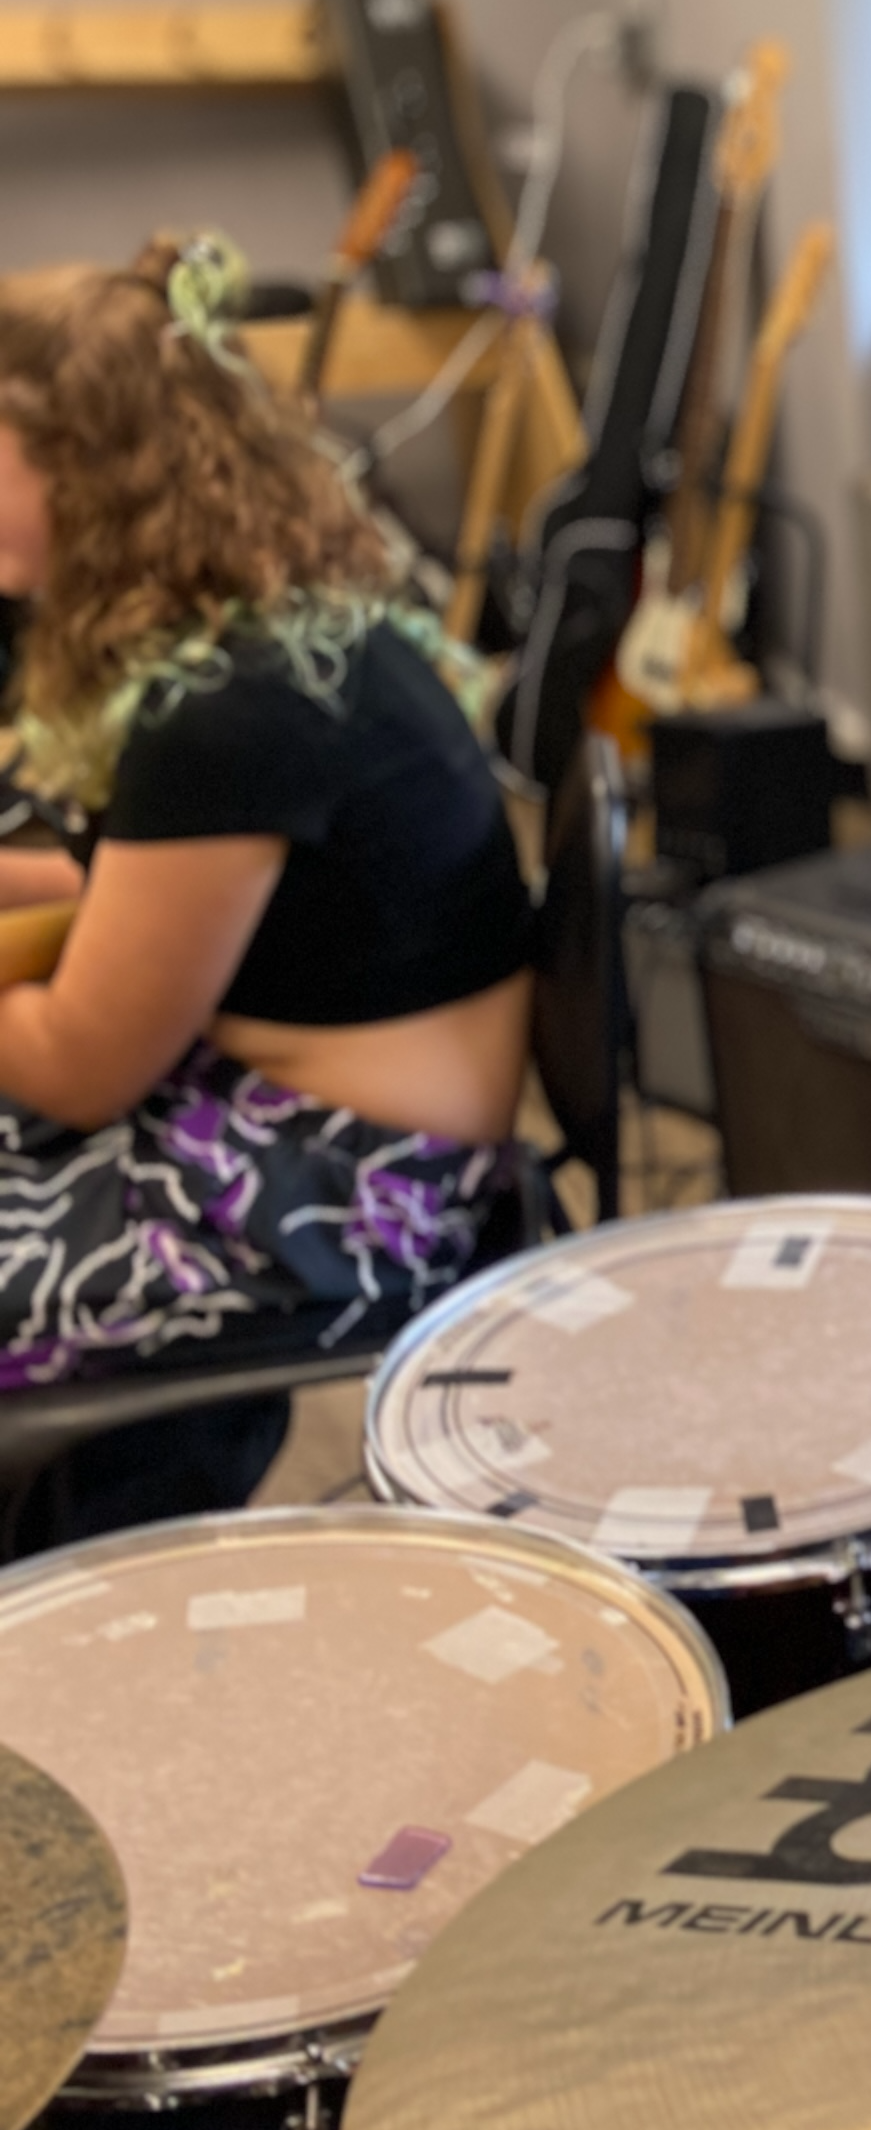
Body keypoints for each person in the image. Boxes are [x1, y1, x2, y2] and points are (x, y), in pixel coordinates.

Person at [0, 238, 535, 1538]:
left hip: (347, 1193)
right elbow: (126, 894)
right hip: (344, 1122)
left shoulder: (221, 715)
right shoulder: (275, 628)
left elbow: (79, 1064)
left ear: (85, 471)